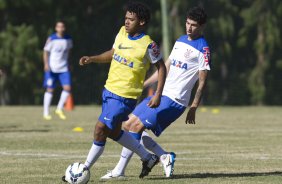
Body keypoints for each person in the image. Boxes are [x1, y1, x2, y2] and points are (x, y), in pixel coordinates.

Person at [100, 6, 211, 179]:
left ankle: (119, 171)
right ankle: (164, 156)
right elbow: (165, 67)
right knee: (128, 125)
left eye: (194, 25)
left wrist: (194, 105)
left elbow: (203, 80)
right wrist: (143, 84)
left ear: (202, 26)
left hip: (175, 100)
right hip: (162, 94)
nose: (189, 27)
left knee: (136, 127)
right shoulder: (181, 40)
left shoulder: (203, 49)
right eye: (187, 23)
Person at [62, 2, 167, 181]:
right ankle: (148, 158)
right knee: (113, 132)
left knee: (100, 128)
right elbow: (112, 53)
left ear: (141, 22)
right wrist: (92, 59)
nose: (126, 22)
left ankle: (82, 170)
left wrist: (157, 94)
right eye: (126, 18)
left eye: (131, 19)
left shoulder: (148, 45)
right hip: (109, 90)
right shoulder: (121, 32)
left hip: (125, 97)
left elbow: (162, 67)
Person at [43, 21, 73, 120]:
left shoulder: (68, 39)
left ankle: (59, 108)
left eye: (62, 26)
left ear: (64, 28)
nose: (60, 28)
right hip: (52, 68)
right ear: (56, 28)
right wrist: (46, 64)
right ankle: (46, 112)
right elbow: (46, 52)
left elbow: (68, 52)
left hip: (63, 68)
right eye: (58, 26)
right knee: (50, 89)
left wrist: (68, 63)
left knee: (67, 88)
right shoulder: (51, 39)